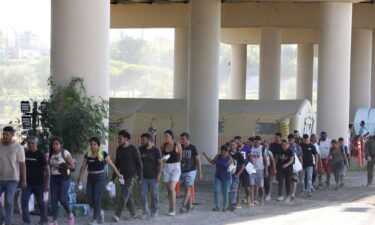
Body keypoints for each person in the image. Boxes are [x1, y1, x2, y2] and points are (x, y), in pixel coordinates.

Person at [77, 137, 123, 225]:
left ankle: (94, 220)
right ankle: (100, 211)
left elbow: (112, 165)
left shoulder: (103, 154)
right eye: (91, 144)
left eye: (94, 144)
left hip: (101, 177)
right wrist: (80, 178)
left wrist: (119, 175)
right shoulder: (88, 154)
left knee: (97, 198)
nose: (92, 146)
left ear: (98, 145)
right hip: (90, 177)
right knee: (90, 199)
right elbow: (83, 167)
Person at [112, 130, 143, 222]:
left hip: (131, 176)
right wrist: (113, 178)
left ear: (126, 138)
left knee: (124, 194)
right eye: (118, 138)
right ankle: (133, 213)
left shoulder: (133, 149)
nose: (119, 140)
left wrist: (140, 177)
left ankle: (117, 214)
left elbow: (139, 164)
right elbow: (116, 165)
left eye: (120, 138)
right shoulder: (119, 149)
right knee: (128, 196)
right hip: (122, 177)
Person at [0, 126, 26, 225]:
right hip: (1, 178)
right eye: (4, 134)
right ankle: (2, 215)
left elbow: (22, 164)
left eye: (7, 134)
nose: (5, 136)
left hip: (13, 179)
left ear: (12, 135)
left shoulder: (18, 147)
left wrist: (24, 180)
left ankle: (8, 222)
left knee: (9, 201)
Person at [22, 136, 49, 225]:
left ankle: (44, 220)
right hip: (27, 183)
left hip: (39, 184)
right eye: (29, 143)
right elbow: (22, 167)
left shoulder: (40, 154)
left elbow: (47, 169)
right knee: (24, 201)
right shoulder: (25, 153)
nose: (30, 145)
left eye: (32, 143)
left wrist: (47, 183)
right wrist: (22, 180)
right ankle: (26, 221)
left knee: (41, 202)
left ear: (36, 144)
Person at [49, 137, 75, 225]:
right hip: (53, 177)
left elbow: (72, 166)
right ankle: (55, 220)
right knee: (53, 199)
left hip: (64, 177)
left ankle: (70, 214)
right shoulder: (50, 153)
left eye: (57, 144)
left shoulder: (65, 153)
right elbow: (50, 166)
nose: (55, 146)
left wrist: (62, 166)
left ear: (61, 145)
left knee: (62, 198)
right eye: (53, 144)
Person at [203, 145, 233, 212]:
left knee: (225, 193)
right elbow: (212, 162)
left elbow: (232, 170)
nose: (223, 154)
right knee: (216, 191)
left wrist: (231, 169)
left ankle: (224, 208)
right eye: (222, 152)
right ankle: (217, 207)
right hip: (218, 177)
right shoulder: (218, 156)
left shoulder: (230, 159)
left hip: (227, 178)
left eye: (224, 152)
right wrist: (205, 156)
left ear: (227, 152)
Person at [138, 133, 162, 219]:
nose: (141, 142)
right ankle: (145, 212)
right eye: (141, 140)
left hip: (153, 177)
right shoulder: (140, 149)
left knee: (154, 195)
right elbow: (137, 163)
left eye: (143, 140)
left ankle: (154, 211)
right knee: (143, 195)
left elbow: (160, 164)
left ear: (149, 140)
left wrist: (159, 175)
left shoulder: (156, 150)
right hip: (142, 177)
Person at [179, 132, 202, 213]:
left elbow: (198, 160)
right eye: (180, 139)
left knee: (188, 188)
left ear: (187, 139)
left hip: (191, 171)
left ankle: (183, 205)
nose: (181, 140)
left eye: (183, 139)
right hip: (182, 171)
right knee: (186, 189)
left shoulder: (193, 148)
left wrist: (200, 172)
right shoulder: (180, 147)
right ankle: (190, 206)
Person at [161, 130, 182, 216]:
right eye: (164, 136)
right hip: (166, 167)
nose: (165, 137)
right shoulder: (163, 145)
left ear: (171, 136)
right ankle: (170, 207)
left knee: (171, 188)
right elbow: (162, 156)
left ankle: (173, 209)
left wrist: (177, 164)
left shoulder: (177, 145)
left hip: (175, 168)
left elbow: (180, 156)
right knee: (169, 190)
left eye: (167, 136)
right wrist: (163, 160)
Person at [249, 136, 268, 205]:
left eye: (258, 142)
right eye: (255, 142)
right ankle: (252, 201)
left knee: (261, 186)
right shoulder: (250, 148)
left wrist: (266, 170)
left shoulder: (262, 149)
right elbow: (249, 159)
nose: (256, 143)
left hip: (260, 170)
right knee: (251, 185)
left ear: (260, 142)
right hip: (252, 170)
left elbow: (265, 161)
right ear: (253, 141)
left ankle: (261, 198)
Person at [228, 141, 245, 211]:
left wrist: (238, 174)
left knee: (234, 189)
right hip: (227, 175)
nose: (232, 146)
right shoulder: (227, 154)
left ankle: (233, 203)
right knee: (227, 189)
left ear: (236, 146)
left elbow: (242, 165)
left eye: (233, 145)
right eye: (231, 145)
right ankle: (228, 202)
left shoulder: (239, 155)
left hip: (235, 175)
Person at [234, 136, 251, 207]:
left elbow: (250, 158)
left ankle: (248, 197)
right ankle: (238, 202)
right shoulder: (235, 149)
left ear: (239, 141)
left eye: (236, 141)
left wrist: (251, 167)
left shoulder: (247, 147)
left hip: (245, 170)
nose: (235, 143)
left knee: (246, 186)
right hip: (238, 170)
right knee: (237, 186)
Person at [288, 134, 303, 199]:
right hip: (287, 165)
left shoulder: (298, 147)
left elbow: (300, 156)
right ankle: (289, 192)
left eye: (291, 140)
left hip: (294, 165)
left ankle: (293, 193)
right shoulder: (285, 146)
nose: (290, 141)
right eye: (289, 140)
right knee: (288, 180)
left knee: (294, 179)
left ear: (294, 140)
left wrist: (301, 165)